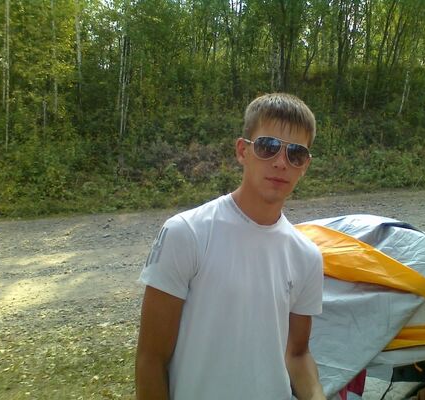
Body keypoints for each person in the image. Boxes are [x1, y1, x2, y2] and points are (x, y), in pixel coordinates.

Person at [135, 93, 325, 400]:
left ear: (305, 165)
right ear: (242, 151)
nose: (281, 162)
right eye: (268, 146)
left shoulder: (307, 256)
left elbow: (298, 354)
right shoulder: (187, 233)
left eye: (296, 153)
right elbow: (151, 360)